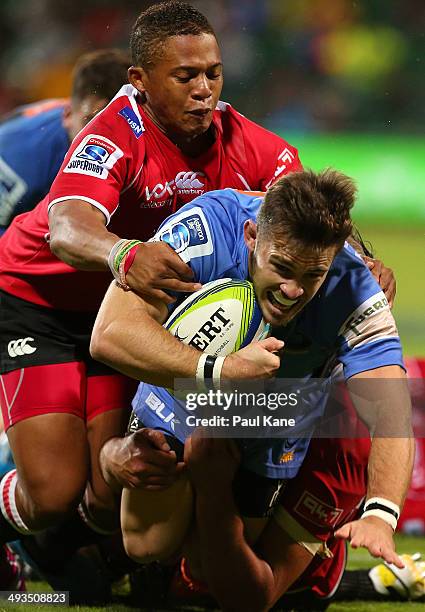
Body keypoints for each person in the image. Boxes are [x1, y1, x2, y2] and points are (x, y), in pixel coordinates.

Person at [0, 0, 305, 572]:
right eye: (185, 76)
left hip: (123, 319)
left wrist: (360, 252)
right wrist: (122, 251)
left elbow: (302, 207)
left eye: (212, 73)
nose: (203, 90)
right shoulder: (114, 134)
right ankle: (35, 528)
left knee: (118, 481)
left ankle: (63, 556)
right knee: (51, 493)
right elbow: (68, 228)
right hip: (37, 300)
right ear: (139, 82)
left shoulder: (247, 141)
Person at [90, 169, 414, 609]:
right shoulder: (206, 231)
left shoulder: (357, 291)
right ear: (250, 237)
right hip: (189, 388)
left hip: (277, 414)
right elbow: (108, 333)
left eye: (312, 275)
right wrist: (220, 371)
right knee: (147, 544)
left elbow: (391, 413)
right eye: (280, 267)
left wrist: (381, 513)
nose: (291, 290)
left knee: (211, 567)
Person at [0, 48, 130, 235]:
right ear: (68, 115)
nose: (101, 135)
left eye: (114, 123)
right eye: (90, 121)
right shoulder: (21, 159)